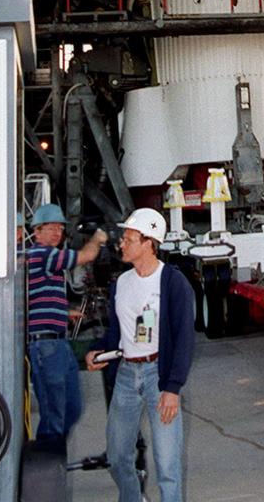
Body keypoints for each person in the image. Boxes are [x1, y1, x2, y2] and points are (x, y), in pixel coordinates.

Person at [86, 207, 195, 502]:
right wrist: (100, 352)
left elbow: (184, 339)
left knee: (167, 465)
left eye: (129, 239)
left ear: (149, 243)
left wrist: (172, 389)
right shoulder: (121, 283)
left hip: (158, 376)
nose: (122, 244)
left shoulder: (172, 282)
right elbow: (117, 332)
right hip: (125, 375)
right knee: (117, 455)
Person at [27, 202, 107, 445]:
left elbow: (37, 298)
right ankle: (48, 461)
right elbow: (86, 256)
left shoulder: (43, 258)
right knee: (55, 414)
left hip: (57, 343)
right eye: (50, 228)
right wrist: (98, 238)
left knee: (71, 408)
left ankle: (53, 455)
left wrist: (63, 312)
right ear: (36, 231)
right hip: (47, 346)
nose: (57, 233)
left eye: (60, 229)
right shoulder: (43, 254)